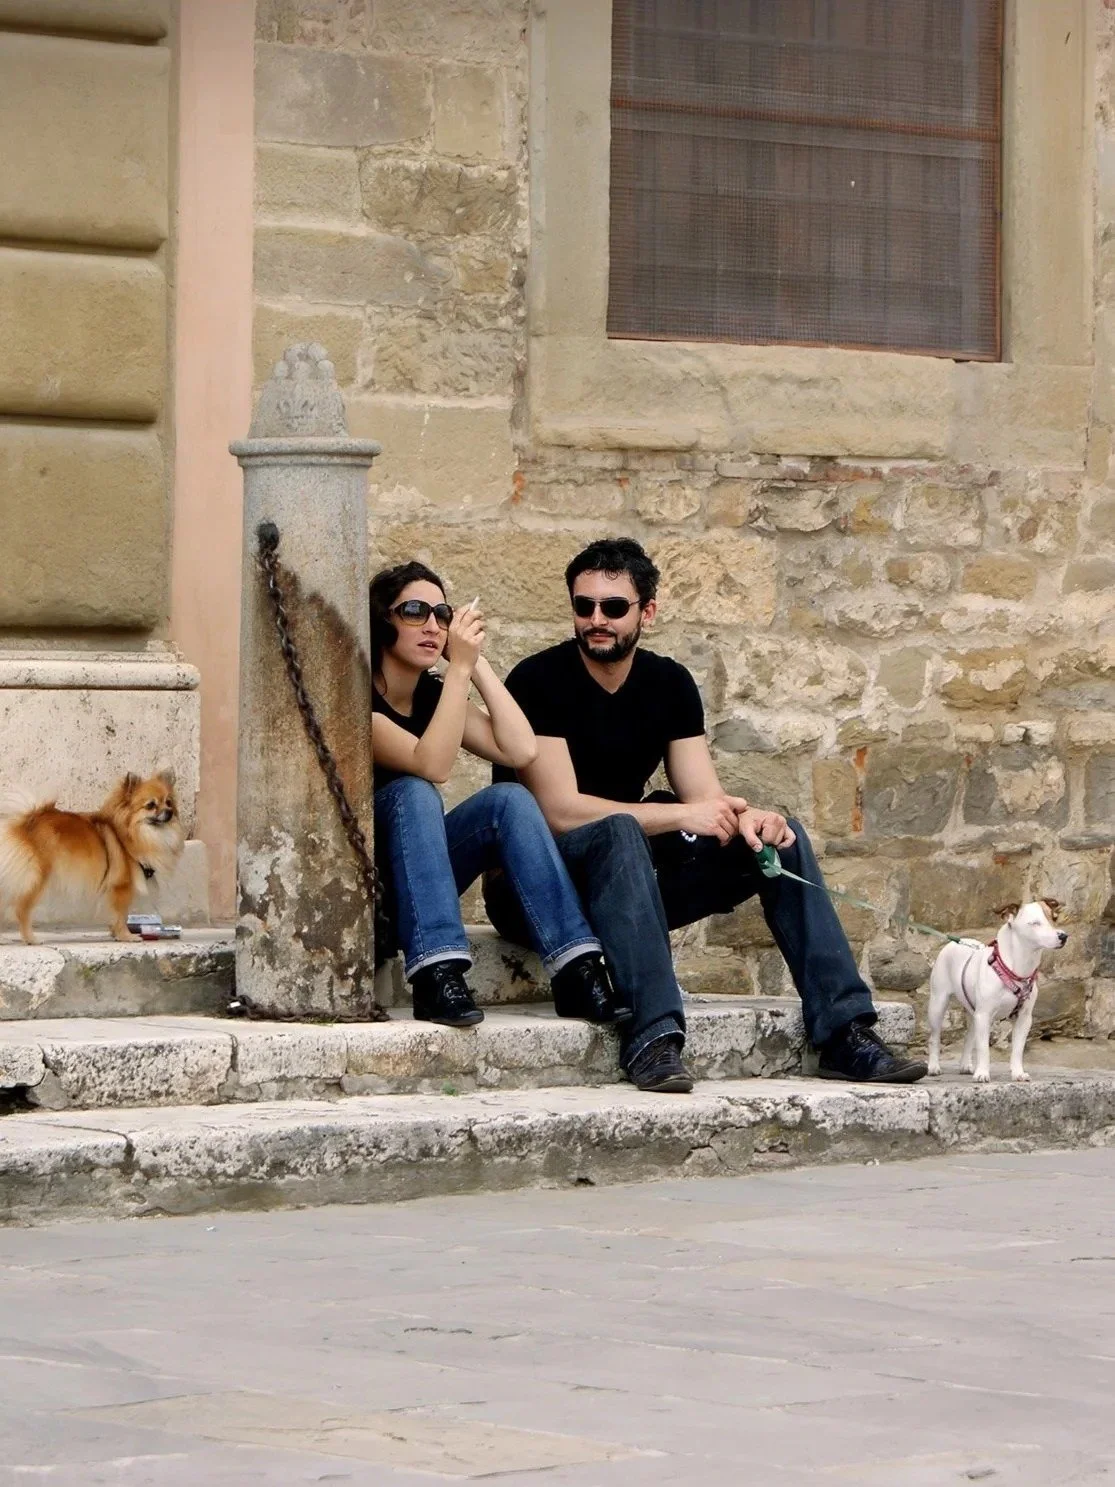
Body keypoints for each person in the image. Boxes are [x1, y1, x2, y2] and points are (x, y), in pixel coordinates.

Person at [485, 537, 928, 1093]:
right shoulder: (538, 681)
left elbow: (704, 797)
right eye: (584, 606)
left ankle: (845, 1033)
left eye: (613, 607)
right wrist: (680, 816)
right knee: (622, 830)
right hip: (536, 890)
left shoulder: (668, 684)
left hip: (626, 884)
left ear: (647, 611)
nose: (596, 619)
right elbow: (559, 813)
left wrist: (746, 821)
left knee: (779, 840)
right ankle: (652, 1038)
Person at [370, 560, 626, 1030]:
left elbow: (521, 749)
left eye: (442, 615)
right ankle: (435, 972)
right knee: (413, 792)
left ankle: (576, 969)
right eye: (413, 612)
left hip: (425, 872)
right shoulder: (358, 700)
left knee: (508, 799)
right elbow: (434, 764)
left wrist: (475, 664)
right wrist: (460, 669)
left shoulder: (433, 695)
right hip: (374, 887)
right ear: (382, 620)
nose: (432, 625)